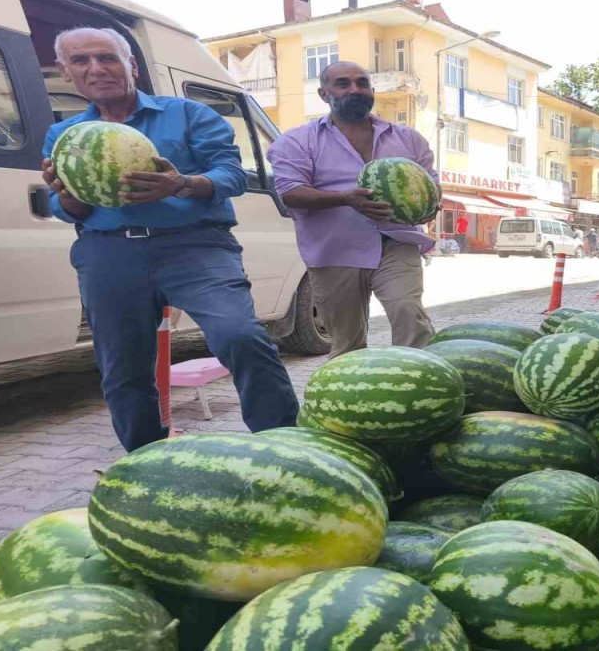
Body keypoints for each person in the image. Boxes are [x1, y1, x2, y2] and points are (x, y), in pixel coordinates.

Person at [41, 27, 298, 452]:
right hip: (110, 251)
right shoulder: (65, 134)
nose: (96, 68)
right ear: (66, 71)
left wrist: (180, 184)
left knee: (240, 336)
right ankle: (145, 457)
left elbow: (232, 175)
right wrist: (67, 197)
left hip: (194, 245)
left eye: (106, 57)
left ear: (131, 66)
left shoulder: (188, 114)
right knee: (122, 366)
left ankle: (285, 446)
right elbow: (68, 208)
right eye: (81, 60)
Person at [268, 61, 437, 358]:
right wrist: (347, 198)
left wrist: (428, 208)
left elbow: (431, 188)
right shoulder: (297, 141)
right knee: (347, 341)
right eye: (343, 83)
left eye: (362, 83)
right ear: (324, 94)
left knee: (409, 313)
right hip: (335, 250)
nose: (355, 89)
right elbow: (291, 193)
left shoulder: (408, 139)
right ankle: (348, 399)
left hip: (396, 242)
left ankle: (422, 389)